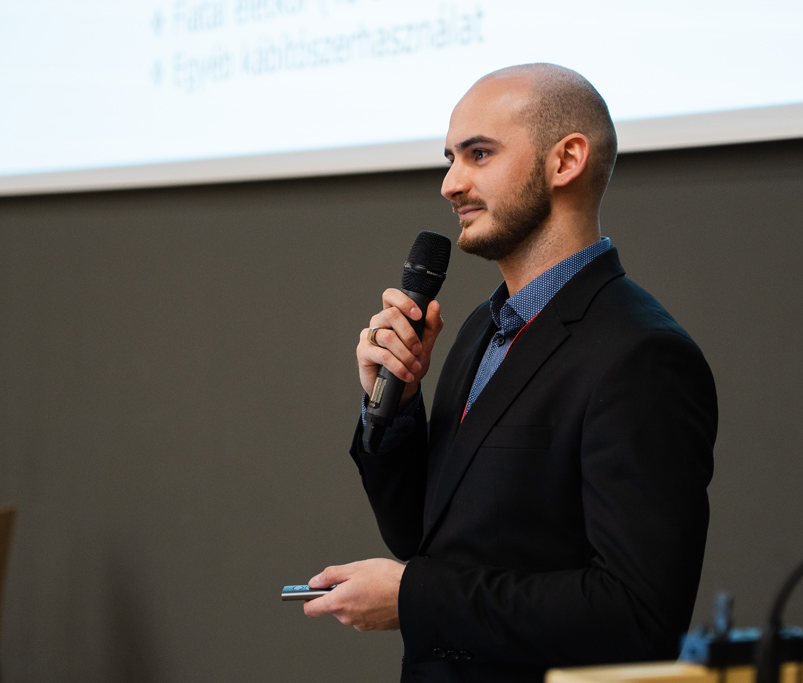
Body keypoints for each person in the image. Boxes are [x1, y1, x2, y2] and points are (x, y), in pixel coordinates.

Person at [303, 63, 718, 682]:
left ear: (565, 160)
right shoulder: (481, 328)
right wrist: (395, 406)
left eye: (478, 154)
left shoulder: (642, 355)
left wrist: (415, 599)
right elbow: (427, 541)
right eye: (450, 159)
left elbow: (637, 617)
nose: (450, 184)